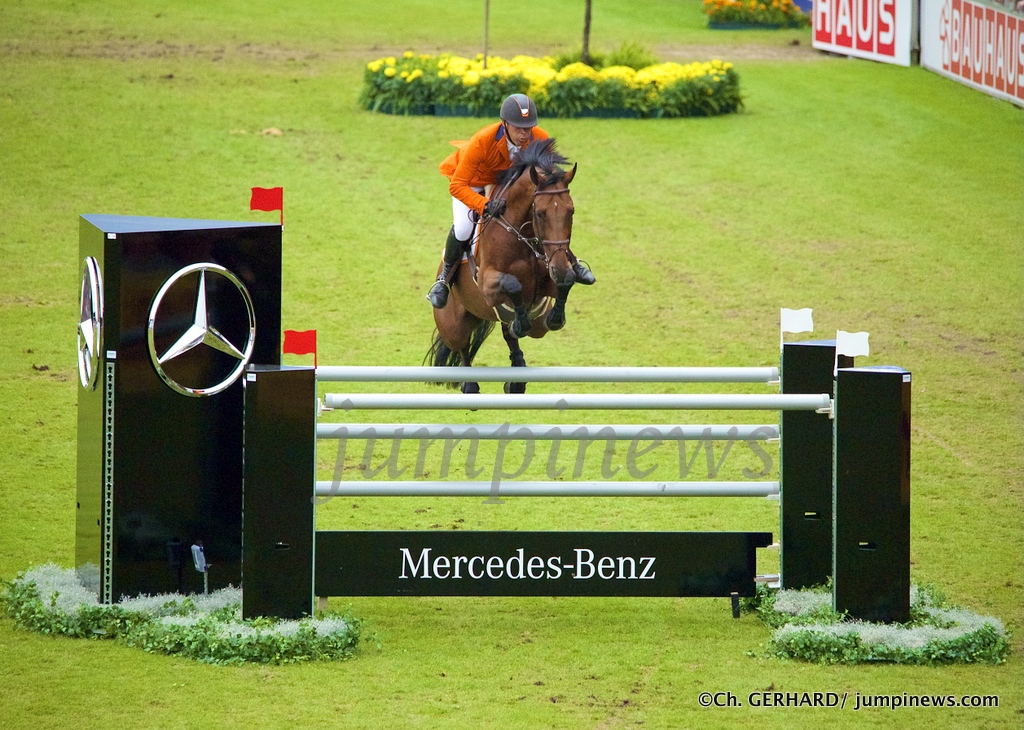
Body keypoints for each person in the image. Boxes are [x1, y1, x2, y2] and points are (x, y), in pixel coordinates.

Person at [427, 93, 595, 309]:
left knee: (544, 217)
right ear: (505, 124)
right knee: (463, 227)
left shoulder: (539, 137)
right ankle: (444, 281)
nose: (525, 134)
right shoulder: (482, 141)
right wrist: (484, 205)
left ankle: (571, 261)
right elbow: (457, 186)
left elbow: (548, 176)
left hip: (506, 183)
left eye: (528, 128)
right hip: (474, 182)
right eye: (518, 128)